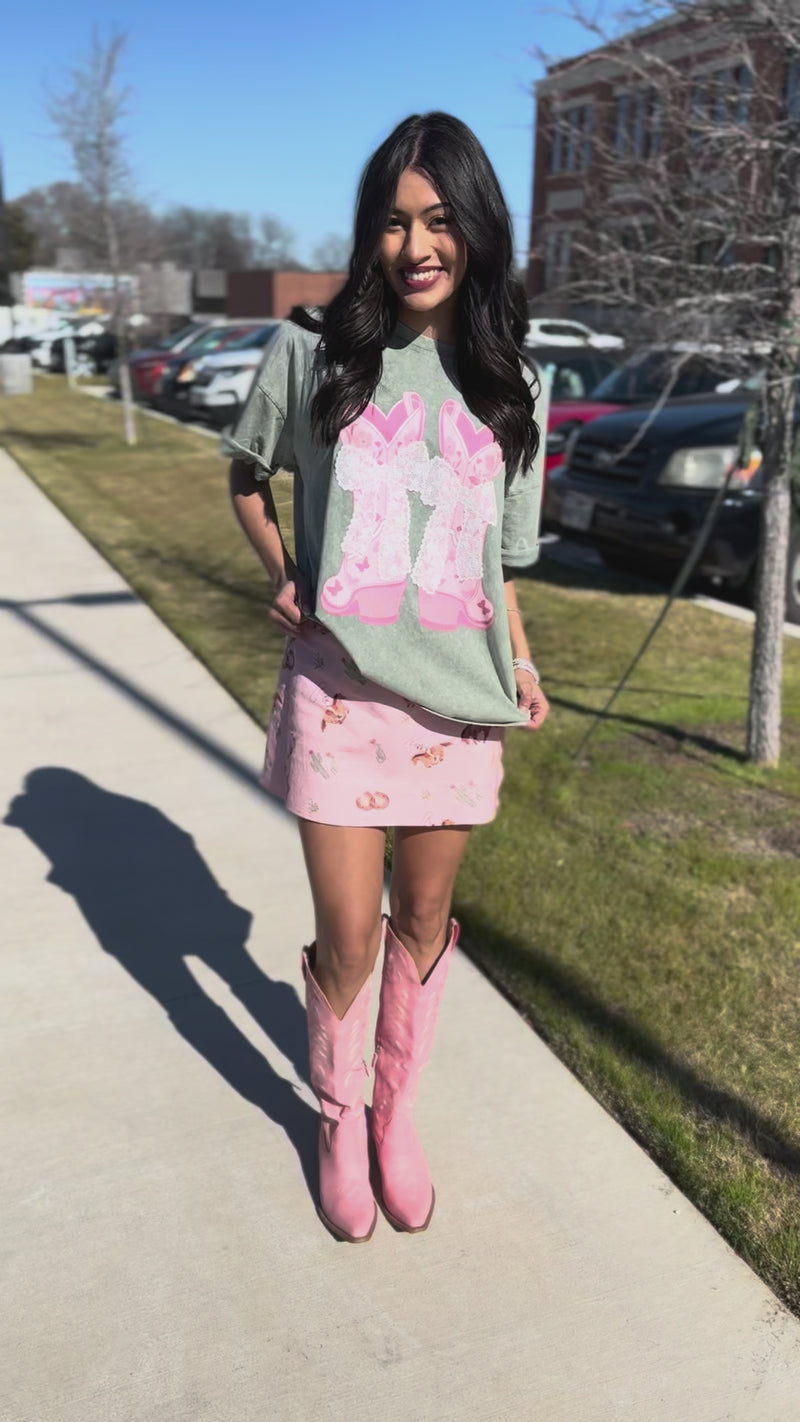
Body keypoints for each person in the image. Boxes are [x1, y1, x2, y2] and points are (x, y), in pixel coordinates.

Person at [227, 111, 550, 1244]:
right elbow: (244, 476)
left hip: (458, 707)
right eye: (394, 222)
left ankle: (396, 1114)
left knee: (423, 919)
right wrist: (284, 575)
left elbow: (499, 561)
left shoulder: (512, 381)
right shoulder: (314, 350)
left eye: (438, 219)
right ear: (368, 234)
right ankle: (337, 1113)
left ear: (476, 230)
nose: (415, 244)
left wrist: (514, 653)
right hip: (340, 695)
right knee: (350, 933)